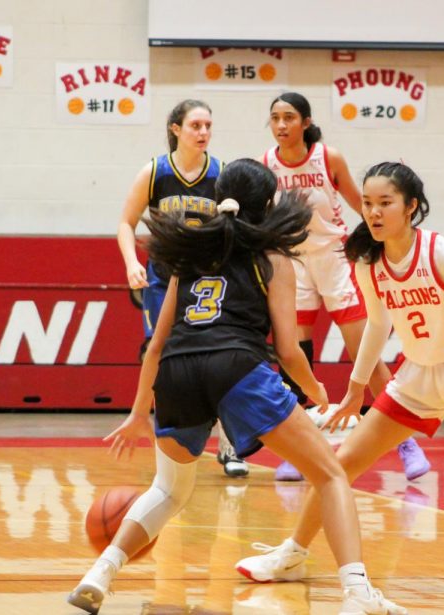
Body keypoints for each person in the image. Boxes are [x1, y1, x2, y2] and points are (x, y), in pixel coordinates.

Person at [69, 159, 407, 615]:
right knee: (330, 474)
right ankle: (357, 592)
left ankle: (100, 574)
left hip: (176, 373)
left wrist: (136, 413)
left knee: (168, 492)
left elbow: (156, 345)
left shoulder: (188, 254)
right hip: (237, 367)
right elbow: (289, 351)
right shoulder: (273, 258)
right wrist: (317, 394)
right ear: (268, 204)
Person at [236, 161, 444, 601]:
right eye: (367, 203)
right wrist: (357, 388)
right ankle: (293, 553)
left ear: (411, 206)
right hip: (417, 374)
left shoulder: (440, 251)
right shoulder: (368, 261)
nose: (374, 212)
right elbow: (377, 326)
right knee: (339, 465)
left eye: (385, 203)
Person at [262, 92, 429, 482]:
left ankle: (406, 442)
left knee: (365, 357)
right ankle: (299, 448)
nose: (281, 125)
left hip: (335, 260)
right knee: (294, 361)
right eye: (275, 118)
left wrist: (383, 251)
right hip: (295, 265)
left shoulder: (327, 157)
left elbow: (362, 207)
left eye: (289, 117)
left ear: (305, 122)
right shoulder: (266, 163)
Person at [116, 99, 249, 478]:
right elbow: (126, 222)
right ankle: (167, 432)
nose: (203, 132)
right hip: (162, 278)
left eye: (208, 125)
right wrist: (130, 263)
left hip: (208, 281)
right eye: (195, 125)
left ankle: (230, 444)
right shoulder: (155, 172)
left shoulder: (222, 173)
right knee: (160, 354)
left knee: (219, 358)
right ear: (176, 129)